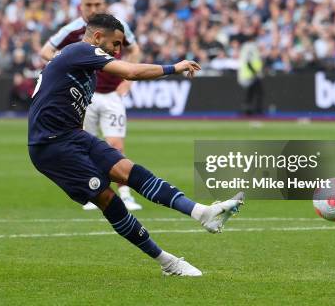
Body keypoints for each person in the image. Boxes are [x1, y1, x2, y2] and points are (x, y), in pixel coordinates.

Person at [29, 14, 244, 276]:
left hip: (73, 136)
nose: (118, 51)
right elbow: (130, 71)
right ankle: (168, 262)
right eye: (115, 44)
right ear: (98, 37)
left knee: (129, 170)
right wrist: (173, 68)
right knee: (108, 198)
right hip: (50, 146)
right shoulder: (80, 50)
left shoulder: (86, 70)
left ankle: (202, 213)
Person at [40, 0, 142, 211]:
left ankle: (124, 193)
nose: (93, 9)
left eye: (97, 5)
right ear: (81, 6)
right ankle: (94, 191)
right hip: (85, 96)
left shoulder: (116, 27)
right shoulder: (72, 29)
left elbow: (134, 49)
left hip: (112, 94)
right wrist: (64, 61)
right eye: (89, 5)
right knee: (84, 145)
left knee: (115, 144)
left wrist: (128, 81)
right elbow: (45, 51)